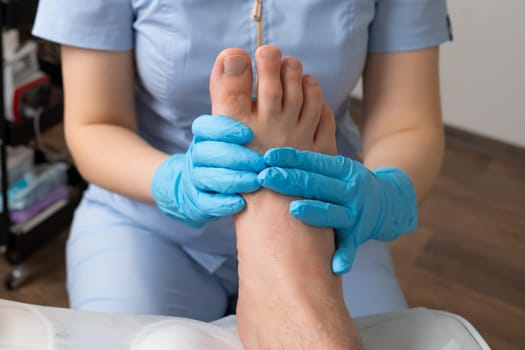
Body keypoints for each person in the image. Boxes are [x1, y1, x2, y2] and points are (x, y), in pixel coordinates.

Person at [32, 0, 451, 322]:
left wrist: (385, 193)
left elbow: (407, 123)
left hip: (326, 220)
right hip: (149, 223)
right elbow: (94, 123)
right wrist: (175, 182)